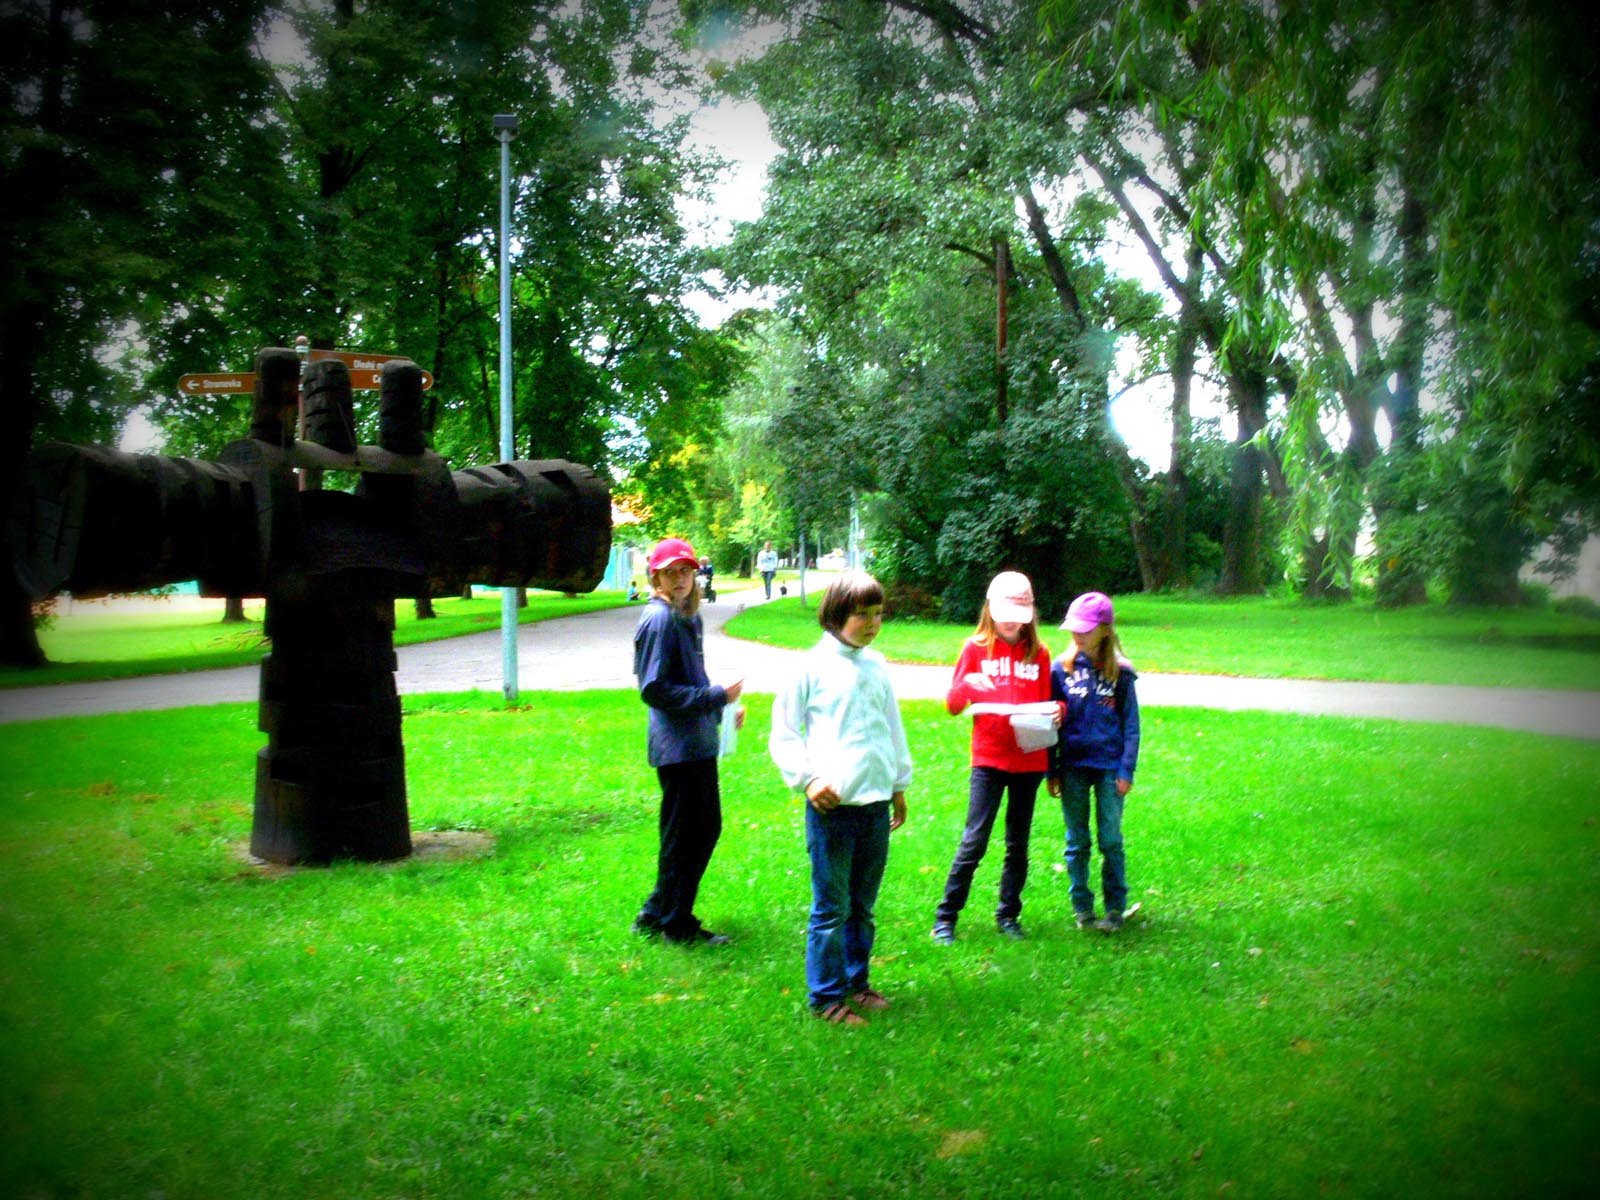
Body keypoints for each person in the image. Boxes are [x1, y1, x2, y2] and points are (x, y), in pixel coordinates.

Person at [769, 570, 911, 1026]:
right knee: (831, 909)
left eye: (878, 614)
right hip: (832, 810)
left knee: (862, 907)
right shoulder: (810, 667)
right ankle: (826, 997)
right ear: (835, 614)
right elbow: (784, 732)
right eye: (861, 614)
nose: (872, 624)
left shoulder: (877, 665)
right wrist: (808, 779)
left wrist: (898, 784)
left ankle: (856, 982)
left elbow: (891, 727)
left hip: (874, 805)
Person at [932, 571, 1058, 945]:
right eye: (1004, 615)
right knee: (975, 839)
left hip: (1029, 759)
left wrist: (1059, 712)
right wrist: (966, 685)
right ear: (990, 610)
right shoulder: (974, 649)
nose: (1010, 623)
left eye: (1018, 616)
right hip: (989, 759)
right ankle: (946, 917)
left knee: (1018, 843)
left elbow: (1050, 701)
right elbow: (953, 705)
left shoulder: (1040, 653)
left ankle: (1008, 915)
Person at [631, 537, 744, 945]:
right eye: (670, 573)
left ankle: (656, 913)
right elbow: (654, 689)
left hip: (695, 743)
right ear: (656, 578)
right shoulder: (659, 620)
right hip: (677, 750)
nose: (680, 579)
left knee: (693, 831)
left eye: (686, 571)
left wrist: (721, 712)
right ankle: (676, 925)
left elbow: (689, 681)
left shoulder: (685, 616)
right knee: (692, 833)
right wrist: (715, 697)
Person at [1047, 591, 1141, 933]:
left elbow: (1131, 725)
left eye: (1085, 629)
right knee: (1077, 842)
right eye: (1074, 628)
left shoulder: (1121, 673)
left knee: (1111, 839)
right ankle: (1082, 909)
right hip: (1072, 766)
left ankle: (1115, 908)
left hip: (1110, 768)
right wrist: (1052, 769)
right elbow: (1049, 723)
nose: (1078, 634)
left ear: (1104, 629)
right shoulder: (1061, 669)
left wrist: (1126, 770)